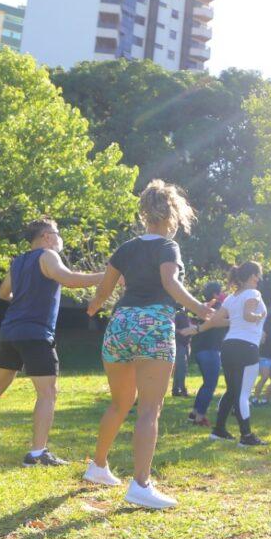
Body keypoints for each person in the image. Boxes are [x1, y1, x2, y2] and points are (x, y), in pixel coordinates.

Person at [83, 180, 213, 509]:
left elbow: (105, 288)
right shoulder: (167, 247)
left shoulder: (126, 248)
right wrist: (199, 309)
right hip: (152, 326)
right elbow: (169, 283)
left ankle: (97, 466)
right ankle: (140, 485)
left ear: (144, 212)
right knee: (149, 409)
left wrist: (94, 306)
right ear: (173, 213)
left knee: (119, 403)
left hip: (120, 324)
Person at [0, 218, 105, 466]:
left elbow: (4, 293)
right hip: (35, 333)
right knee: (48, 392)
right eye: (58, 234)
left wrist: (24, 297)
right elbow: (67, 278)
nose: (60, 240)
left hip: (11, 331)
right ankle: (37, 454)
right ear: (47, 236)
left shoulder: (18, 262)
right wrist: (108, 275)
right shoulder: (47, 255)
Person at [196, 261, 269, 447]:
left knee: (232, 391)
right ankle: (246, 436)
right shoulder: (253, 293)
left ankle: (219, 430)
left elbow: (216, 321)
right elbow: (248, 315)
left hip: (228, 347)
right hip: (247, 348)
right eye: (258, 275)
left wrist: (196, 329)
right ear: (253, 275)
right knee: (243, 393)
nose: (259, 279)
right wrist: (258, 317)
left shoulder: (231, 298)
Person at [188, 282, 226, 427]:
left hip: (199, 350)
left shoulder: (202, 307)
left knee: (206, 384)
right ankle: (200, 417)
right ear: (216, 294)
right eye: (221, 292)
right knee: (210, 384)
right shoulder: (219, 308)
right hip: (210, 350)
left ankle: (194, 413)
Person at [253, 312, 271, 405]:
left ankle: (265, 400)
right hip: (264, 358)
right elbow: (260, 342)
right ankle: (255, 399)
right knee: (264, 377)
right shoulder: (264, 330)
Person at [171, 309, 195, 397]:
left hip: (186, 345)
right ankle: (183, 390)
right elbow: (172, 328)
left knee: (179, 369)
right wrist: (180, 331)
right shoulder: (178, 315)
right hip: (179, 344)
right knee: (182, 368)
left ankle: (175, 390)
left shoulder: (187, 316)